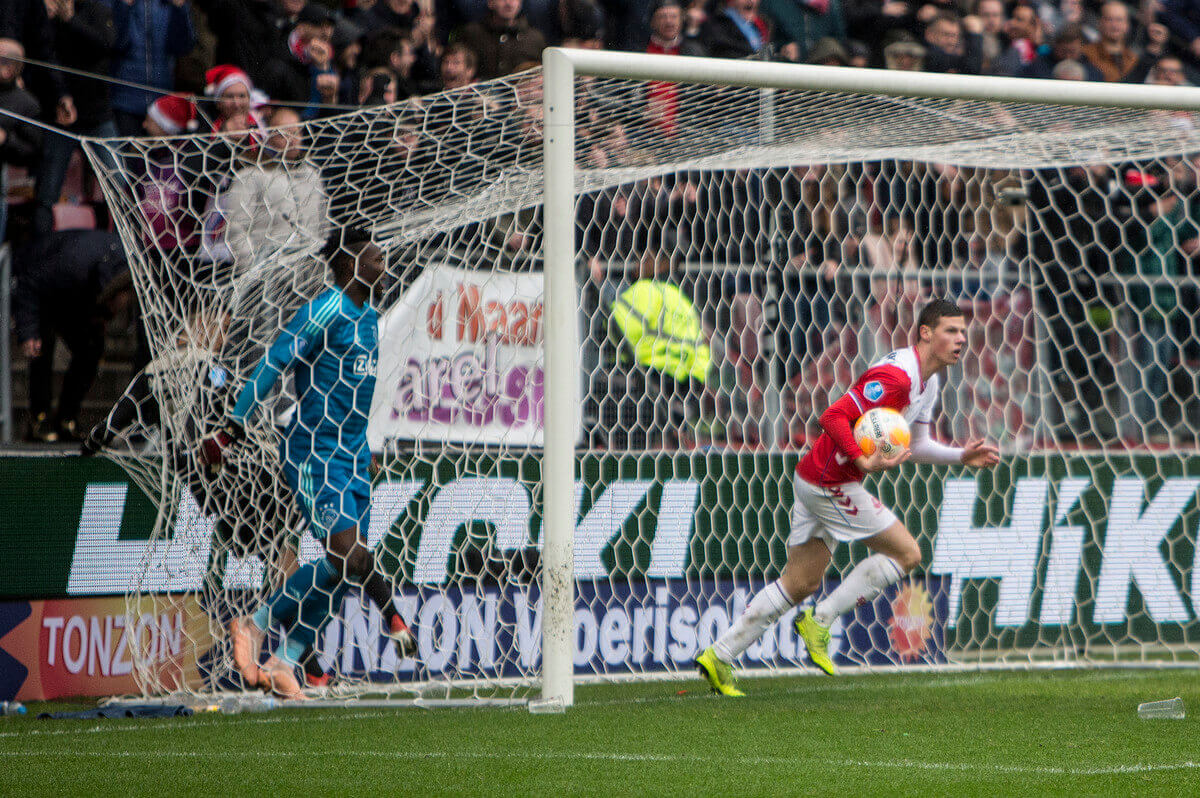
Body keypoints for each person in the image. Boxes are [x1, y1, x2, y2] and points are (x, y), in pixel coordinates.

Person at [695, 299, 1000, 695]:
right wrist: (862, 459)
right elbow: (833, 416)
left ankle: (718, 656)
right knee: (907, 554)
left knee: (800, 581)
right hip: (830, 479)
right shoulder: (896, 377)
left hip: (820, 477)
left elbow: (918, 443)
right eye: (950, 331)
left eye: (962, 331)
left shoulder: (931, 381)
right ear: (926, 333)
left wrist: (961, 455)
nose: (961, 339)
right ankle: (821, 621)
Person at [208, 227, 415, 698]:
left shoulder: (367, 316)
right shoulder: (325, 310)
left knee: (343, 569)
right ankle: (254, 625)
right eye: (375, 258)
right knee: (349, 555)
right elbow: (275, 361)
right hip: (314, 453)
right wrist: (233, 424)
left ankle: (286, 660)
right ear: (349, 264)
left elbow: (355, 394)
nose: (384, 266)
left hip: (353, 456)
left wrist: (366, 446)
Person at [13, 230, 133, 442]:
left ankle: (66, 417)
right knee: (40, 345)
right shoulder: (74, 264)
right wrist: (27, 331)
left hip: (73, 294)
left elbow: (98, 299)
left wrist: (99, 317)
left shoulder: (121, 264)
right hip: (39, 283)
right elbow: (31, 282)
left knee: (91, 347)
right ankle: (39, 419)